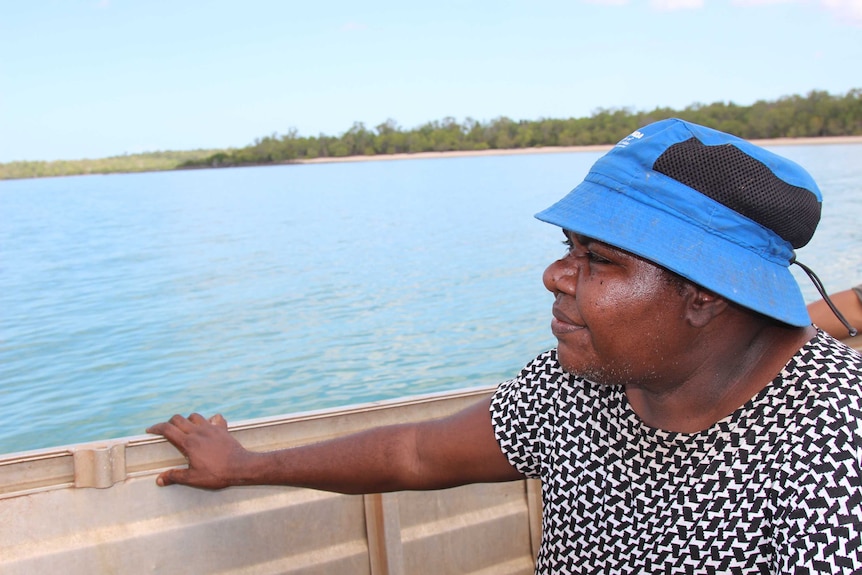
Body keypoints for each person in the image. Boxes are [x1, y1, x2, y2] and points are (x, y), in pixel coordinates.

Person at [147, 119, 862, 574]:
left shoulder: (833, 451)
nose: (555, 275)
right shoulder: (580, 385)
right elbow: (417, 453)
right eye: (567, 247)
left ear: (705, 294)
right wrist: (246, 464)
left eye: (600, 260)